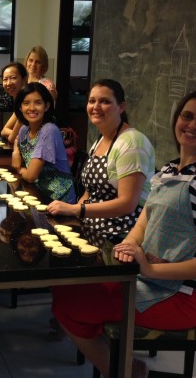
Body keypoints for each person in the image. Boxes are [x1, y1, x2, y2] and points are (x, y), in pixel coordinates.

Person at [51, 89, 196, 378]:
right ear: (176, 119)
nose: (192, 125)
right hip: (147, 280)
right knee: (66, 291)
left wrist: (151, 269)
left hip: (185, 296)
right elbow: (143, 221)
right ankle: (126, 368)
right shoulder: (168, 170)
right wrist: (128, 245)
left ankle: (123, 371)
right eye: (187, 116)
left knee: (71, 304)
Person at [47, 79, 155, 261]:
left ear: (121, 107)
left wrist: (75, 210)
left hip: (119, 236)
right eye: (92, 101)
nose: (96, 106)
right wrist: (76, 221)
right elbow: (90, 191)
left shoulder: (132, 143)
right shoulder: (100, 140)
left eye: (105, 101)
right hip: (92, 228)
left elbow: (127, 203)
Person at [12, 82, 76, 203]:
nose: (31, 108)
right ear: (20, 107)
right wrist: (16, 152)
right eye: (26, 103)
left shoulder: (49, 130)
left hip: (59, 200)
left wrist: (19, 168)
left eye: (38, 102)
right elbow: (16, 144)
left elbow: (30, 176)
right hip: (39, 193)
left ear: (46, 106)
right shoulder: (24, 130)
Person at [0, 62, 28, 144]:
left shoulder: (26, 103)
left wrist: (15, 134)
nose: (8, 83)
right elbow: (3, 131)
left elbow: (11, 138)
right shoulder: (19, 102)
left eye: (13, 78)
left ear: (24, 80)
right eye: (5, 79)